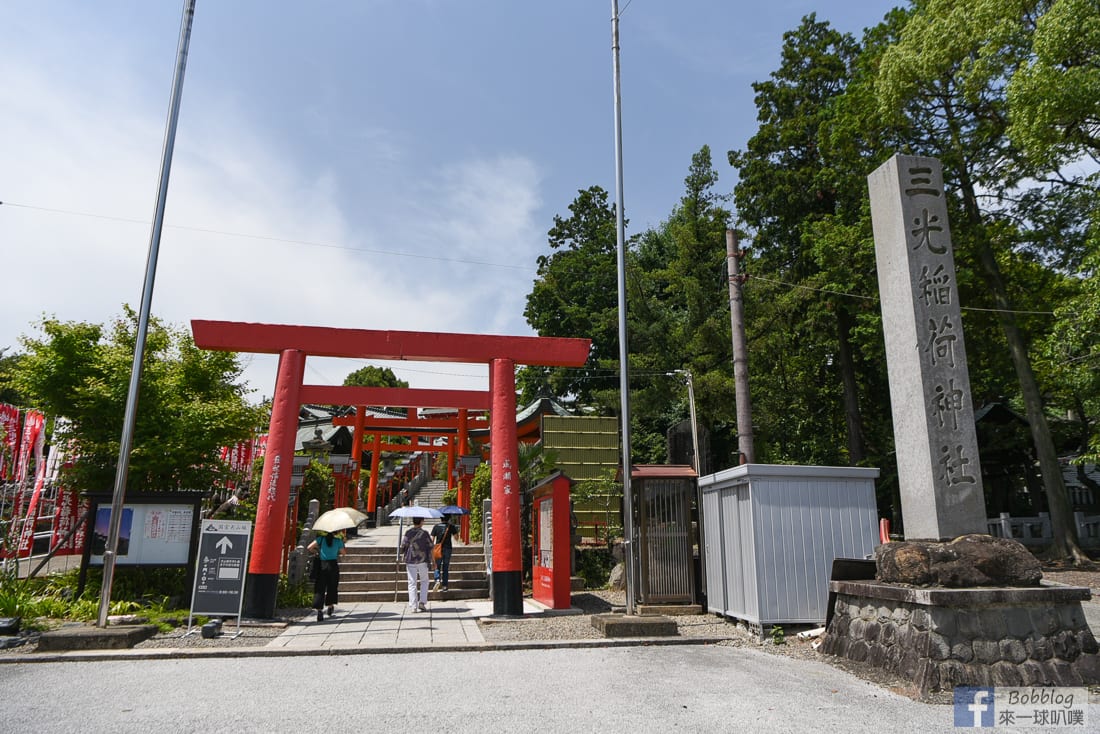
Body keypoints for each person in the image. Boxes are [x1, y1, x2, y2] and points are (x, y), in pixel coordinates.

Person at [307, 530, 346, 622]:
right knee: (332, 586)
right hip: (333, 565)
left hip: (322, 565)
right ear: (335, 532)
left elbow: (309, 547)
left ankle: (319, 610)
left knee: (320, 587)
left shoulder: (320, 539)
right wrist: (341, 546)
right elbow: (343, 553)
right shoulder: (338, 541)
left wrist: (317, 552)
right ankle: (330, 606)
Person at [400, 516, 434, 612]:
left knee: (412, 583)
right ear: (421, 522)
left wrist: (403, 553)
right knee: (424, 581)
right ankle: (422, 602)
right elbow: (431, 547)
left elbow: (403, 546)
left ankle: (413, 606)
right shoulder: (425, 533)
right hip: (422, 560)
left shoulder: (408, 533)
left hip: (410, 559)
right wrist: (433, 561)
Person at [431, 515, 457, 591]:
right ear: (448, 518)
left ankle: (437, 580)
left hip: (438, 549)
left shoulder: (436, 526)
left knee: (437, 566)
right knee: (445, 567)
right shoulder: (451, 526)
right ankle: (445, 586)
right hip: (448, 549)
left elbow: (432, 539)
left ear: (440, 518)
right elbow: (456, 538)